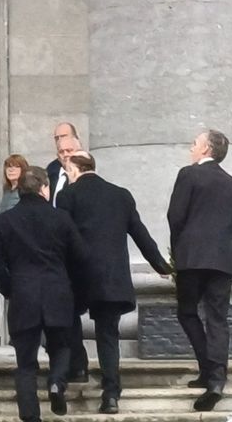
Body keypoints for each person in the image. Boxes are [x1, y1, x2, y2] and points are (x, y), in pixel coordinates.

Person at [57, 151, 173, 414]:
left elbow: (62, 235)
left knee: (68, 321)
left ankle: (78, 366)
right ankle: (110, 394)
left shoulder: (68, 196)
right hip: (111, 276)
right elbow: (140, 233)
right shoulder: (121, 195)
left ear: (74, 169)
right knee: (108, 335)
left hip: (77, 274)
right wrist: (161, 265)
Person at [0, 166, 87, 422]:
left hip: (23, 293)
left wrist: (9, 288)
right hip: (57, 290)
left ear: (19, 189)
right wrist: (74, 288)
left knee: (25, 362)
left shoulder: (5, 221)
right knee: (61, 346)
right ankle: (56, 382)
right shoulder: (61, 218)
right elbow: (81, 256)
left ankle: (31, 416)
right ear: (45, 188)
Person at [167, 129, 232, 412]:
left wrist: (179, 250)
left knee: (187, 311)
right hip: (223, 259)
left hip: (192, 257)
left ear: (206, 150)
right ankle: (215, 378)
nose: (191, 148)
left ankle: (207, 369)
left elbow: (175, 216)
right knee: (218, 318)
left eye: (195, 144)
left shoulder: (188, 174)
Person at [51, 134, 82, 207]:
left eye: (69, 150)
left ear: (79, 152)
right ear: (58, 157)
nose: (65, 154)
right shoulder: (51, 177)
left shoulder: (87, 177)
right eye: (61, 152)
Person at [46, 122, 78, 192]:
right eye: (57, 138)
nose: (59, 140)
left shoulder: (87, 163)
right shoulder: (52, 168)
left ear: (75, 137)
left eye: (63, 136)